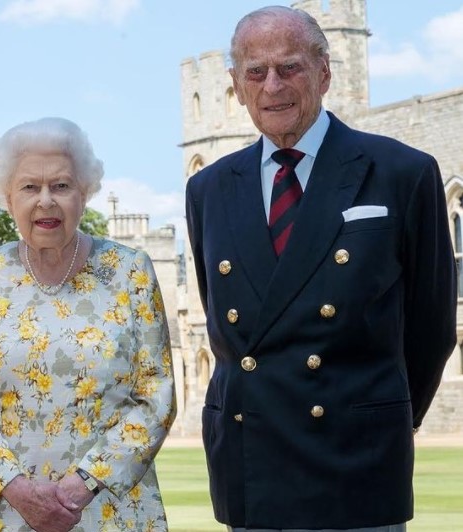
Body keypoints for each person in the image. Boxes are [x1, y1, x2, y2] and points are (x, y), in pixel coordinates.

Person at [185, 6, 457, 532]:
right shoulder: (209, 188)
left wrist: (376, 417)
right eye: (255, 72)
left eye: (290, 68)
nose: (272, 86)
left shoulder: (403, 173)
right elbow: (226, 328)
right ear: (235, 87)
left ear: (325, 73)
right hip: (251, 465)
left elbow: (432, 327)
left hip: (355, 464)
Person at [0, 117, 177, 532]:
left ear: (84, 193)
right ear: (7, 197)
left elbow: (157, 397)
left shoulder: (130, 271)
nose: (46, 201)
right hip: (6, 511)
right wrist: (17, 489)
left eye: (62, 186)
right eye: (30, 187)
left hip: (113, 510)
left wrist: (82, 484)